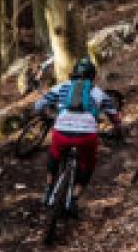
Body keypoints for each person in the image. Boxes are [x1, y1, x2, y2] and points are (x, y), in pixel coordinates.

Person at [30, 57, 125, 212]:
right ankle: (73, 199)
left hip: (61, 133)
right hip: (86, 137)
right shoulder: (99, 93)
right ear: (92, 76)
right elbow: (115, 117)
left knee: (54, 156)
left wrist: (44, 114)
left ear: (73, 73)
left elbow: (39, 105)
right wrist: (119, 130)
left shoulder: (61, 87)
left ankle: (48, 191)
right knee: (88, 164)